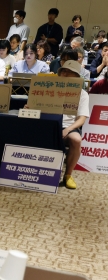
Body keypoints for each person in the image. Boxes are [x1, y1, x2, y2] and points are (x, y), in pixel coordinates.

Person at [58, 60, 89, 190]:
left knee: (76, 140)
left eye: (70, 72)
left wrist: (68, 129)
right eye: (64, 71)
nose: (65, 74)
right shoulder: (48, 87)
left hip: (68, 127)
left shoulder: (82, 94)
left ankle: (68, 175)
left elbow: (82, 119)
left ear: (77, 77)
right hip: (47, 123)